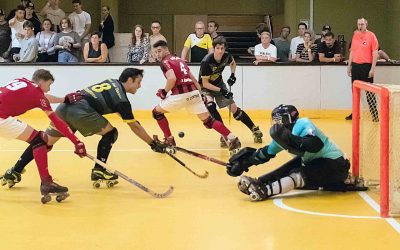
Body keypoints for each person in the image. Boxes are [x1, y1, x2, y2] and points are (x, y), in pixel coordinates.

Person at [2, 68, 167, 188]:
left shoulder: (110, 82)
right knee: (111, 133)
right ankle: (100, 169)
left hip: (66, 107)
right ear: (129, 80)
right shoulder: (122, 100)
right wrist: (152, 144)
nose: (139, 86)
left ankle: (15, 171)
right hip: (81, 111)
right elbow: (134, 126)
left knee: (43, 142)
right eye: (138, 82)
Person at [227, 104, 352, 201]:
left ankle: (265, 191)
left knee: (296, 173)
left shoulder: (303, 123)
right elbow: (266, 153)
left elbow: (315, 144)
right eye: (275, 121)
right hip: (316, 163)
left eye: (280, 120)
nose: (278, 124)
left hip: (336, 165)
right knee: (288, 167)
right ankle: (260, 182)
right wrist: (244, 162)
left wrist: (289, 138)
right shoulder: (284, 135)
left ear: (290, 118)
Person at [0, 69, 86, 200]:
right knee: (39, 140)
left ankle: (41, 180)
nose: (49, 89)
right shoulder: (37, 94)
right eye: (49, 84)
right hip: (1, 117)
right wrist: (76, 141)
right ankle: (47, 183)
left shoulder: (22, 81)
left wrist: (63, 99)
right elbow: (57, 121)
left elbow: (43, 97)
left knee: (40, 140)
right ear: (41, 82)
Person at [152, 40, 241, 155]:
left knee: (156, 113)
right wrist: (201, 94)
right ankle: (233, 139)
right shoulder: (179, 60)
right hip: (194, 93)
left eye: (159, 51)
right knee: (209, 121)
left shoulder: (165, 62)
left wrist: (164, 92)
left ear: (166, 49)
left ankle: (169, 140)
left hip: (180, 95)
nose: (158, 54)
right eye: (155, 52)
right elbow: (193, 78)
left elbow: (172, 79)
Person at [199, 36, 263, 147]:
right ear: (213, 48)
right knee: (211, 107)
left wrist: (233, 75)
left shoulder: (227, 56)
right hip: (206, 88)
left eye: (222, 48)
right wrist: (222, 90)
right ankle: (225, 134)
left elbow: (233, 63)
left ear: (225, 49)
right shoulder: (207, 62)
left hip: (219, 84)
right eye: (217, 48)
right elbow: (205, 84)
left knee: (236, 112)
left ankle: (254, 129)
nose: (220, 51)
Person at [346, 18, 379, 121]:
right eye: (359, 24)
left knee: (370, 93)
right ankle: (355, 114)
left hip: (366, 67)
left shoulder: (372, 36)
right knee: (355, 92)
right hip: (356, 66)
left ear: (366, 24)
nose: (360, 26)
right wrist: (349, 65)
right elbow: (352, 51)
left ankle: (375, 115)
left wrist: (372, 69)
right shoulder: (355, 35)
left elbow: (375, 53)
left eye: (362, 24)